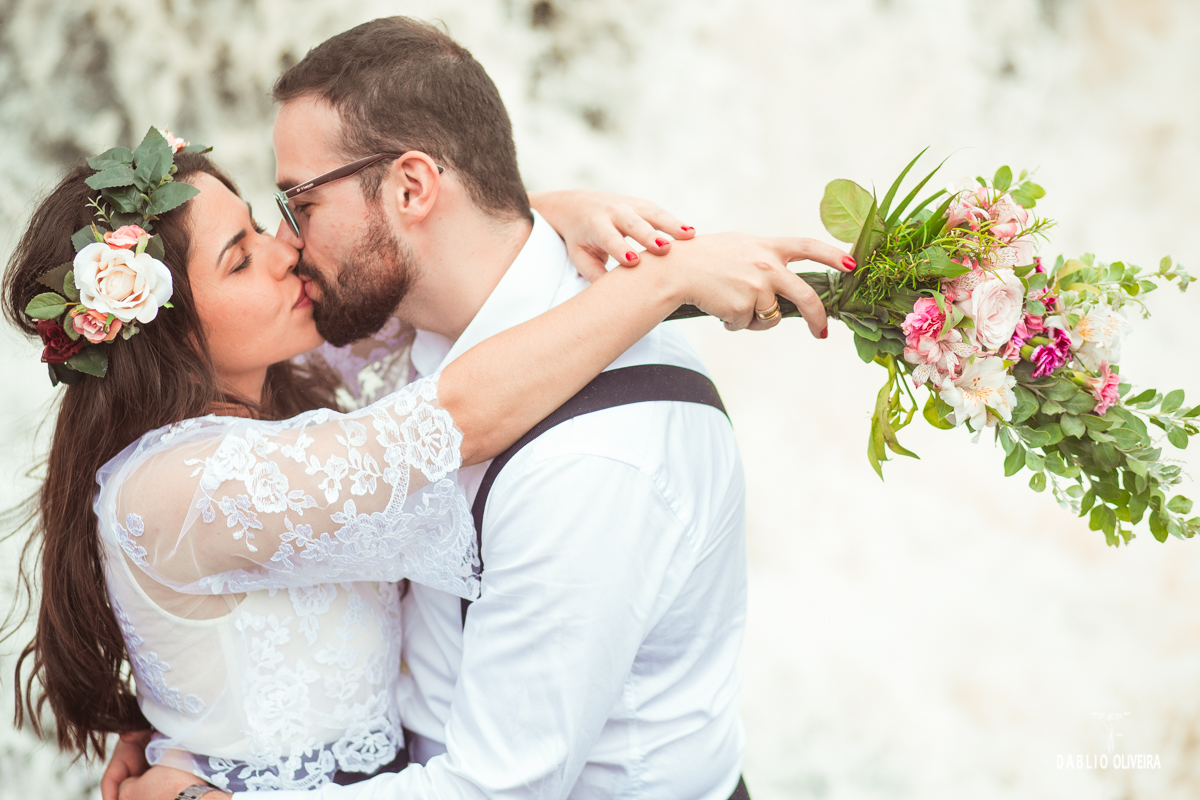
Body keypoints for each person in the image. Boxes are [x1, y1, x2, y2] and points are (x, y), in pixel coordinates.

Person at [96, 17, 853, 800]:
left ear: (414, 188)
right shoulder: (385, 332)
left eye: (295, 204)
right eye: (257, 236)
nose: (289, 245)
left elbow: (496, 791)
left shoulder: (594, 465)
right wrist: (190, 719)